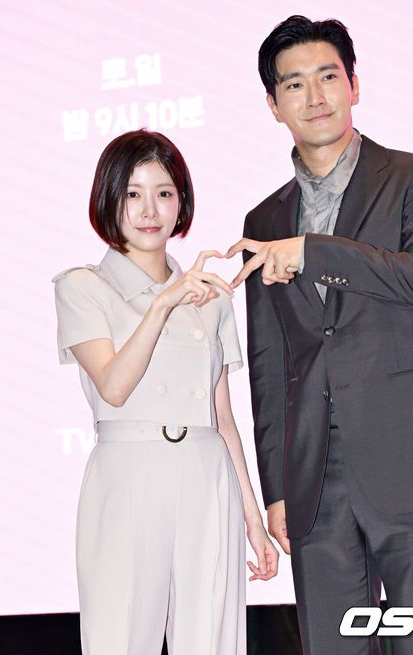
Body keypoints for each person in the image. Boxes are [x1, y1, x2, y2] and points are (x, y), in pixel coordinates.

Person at [226, 15, 413, 655]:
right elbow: (270, 365)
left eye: (328, 77)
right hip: (316, 480)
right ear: (273, 104)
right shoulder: (263, 219)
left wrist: (314, 252)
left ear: (354, 85)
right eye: (294, 84)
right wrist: (278, 488)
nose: (314, 96)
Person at [52, 129, 278, 655]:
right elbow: (114, 386)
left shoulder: (212, 298)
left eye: (164, 192)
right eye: (132, 193)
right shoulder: (83, 286)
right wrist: (162, 304)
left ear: (182, 201)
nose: (149, 210)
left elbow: (223, 419)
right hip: (128, 472)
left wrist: (253, 517)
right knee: (120, 637)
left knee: (212, 640)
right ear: (108, 198)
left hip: (207, 474)